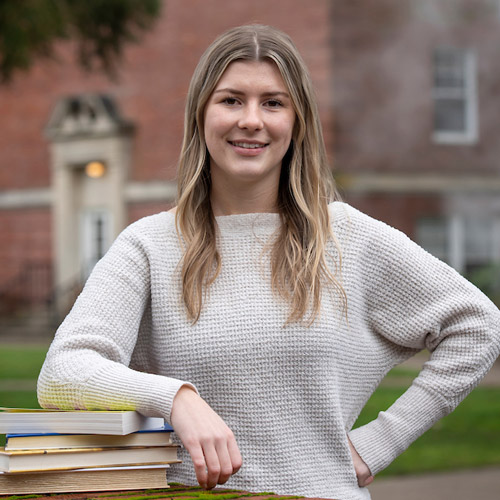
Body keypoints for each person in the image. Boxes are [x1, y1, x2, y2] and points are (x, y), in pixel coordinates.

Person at [38, 24, 500, 500]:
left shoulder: (345, 236)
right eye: (231, 100)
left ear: (297, 121)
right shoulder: (148, 245)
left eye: (273, 103)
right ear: (200, 114)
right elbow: (63, 370)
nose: (251, 120)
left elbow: (478, 326)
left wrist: (381, 440)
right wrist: (176, 399)